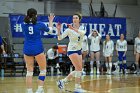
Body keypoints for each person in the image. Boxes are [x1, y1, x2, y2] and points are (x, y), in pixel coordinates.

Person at [22, 8, 54, 93]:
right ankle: (39, 89)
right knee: (43, 70)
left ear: (27, 15)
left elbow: (27, 24)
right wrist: (50, 21)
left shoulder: (23, 24)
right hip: (37, 49)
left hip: (27, 49)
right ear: (36, 15)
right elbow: (50, 31)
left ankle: (29, 91)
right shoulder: (40, 24)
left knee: (29, 72)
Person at [56, 13, 87, 92]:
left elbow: (83, 33)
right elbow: (59, 38)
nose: (74, 19)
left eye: (76, 18)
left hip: (79, 50)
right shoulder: (68, 30)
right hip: (72, 50)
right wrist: (58, 30)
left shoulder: (82, 27)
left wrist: (73, 29)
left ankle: (62, 81)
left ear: (79, 20)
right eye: (73, 18)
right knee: (79, 69)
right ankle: (77, 88)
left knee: (78, 69)